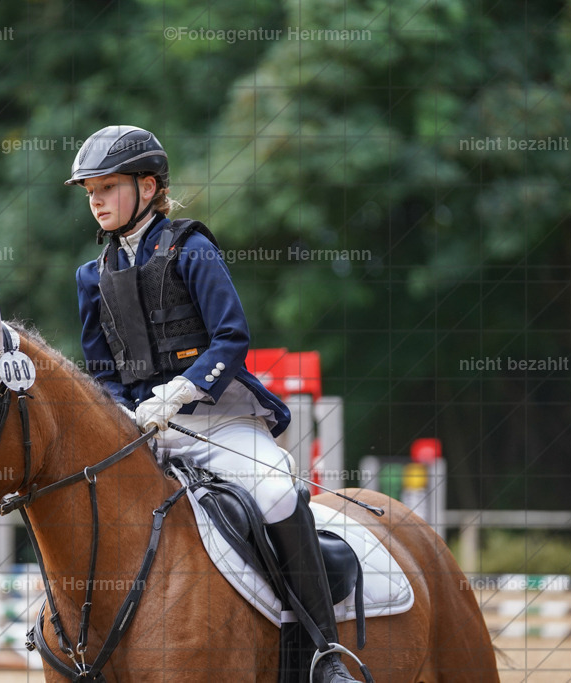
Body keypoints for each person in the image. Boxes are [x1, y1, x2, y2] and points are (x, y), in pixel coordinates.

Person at [69, 125, 361, 683]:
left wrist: (182, 390)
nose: (97, 201)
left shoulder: (192, 249)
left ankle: (324, 655)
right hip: (143, 434)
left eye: (107, 187)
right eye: (90, 192)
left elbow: (231, 338)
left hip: (218, 420)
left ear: (147, 187)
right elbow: (102, 370)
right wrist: (123, 416)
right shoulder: (90, 277)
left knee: (277, 491)